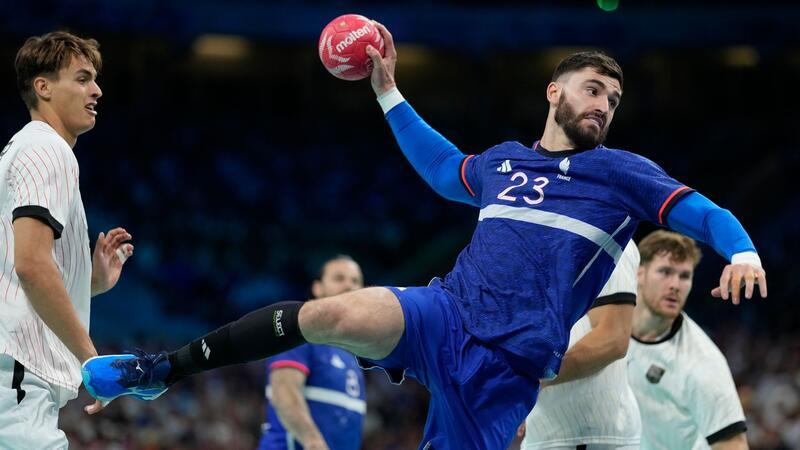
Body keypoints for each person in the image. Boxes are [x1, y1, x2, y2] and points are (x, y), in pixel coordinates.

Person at [82, 22, 767, 450]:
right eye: (592, 89)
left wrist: (740, 247)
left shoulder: (622, 174)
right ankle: (159, 371)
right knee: (328, 313)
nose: (604, 105)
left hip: (506, 368)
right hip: (444, 314)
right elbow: (443, 167)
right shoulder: (504, 161)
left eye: (614, 100)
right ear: (555, 92)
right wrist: (387, 90)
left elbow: (701, 211)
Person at [0, 31, 133, 447]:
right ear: (43, 87)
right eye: (81, 78)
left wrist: (87, 284)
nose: (96, 90)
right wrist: (92, 360)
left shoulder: (24, 149)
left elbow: (16, 273)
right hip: (16, 377)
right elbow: (31, 266)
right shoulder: (47, 149)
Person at [628, 230, 749, 449]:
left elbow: (733, 444)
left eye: (684, 276)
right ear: (639, 273)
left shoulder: (703, 361)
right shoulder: (606, 327)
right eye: (665, 272)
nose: (675, 284)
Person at [520, 240, 641, 450]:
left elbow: (612, 340)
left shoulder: (608, 236)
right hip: (545, 431)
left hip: (590, 436)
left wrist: (528, 384)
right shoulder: (534, 239)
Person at [258, 255, 366, 450]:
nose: (349, 286)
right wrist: (313, 442)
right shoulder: (298, 334)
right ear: (317, 288)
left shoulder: (352, 351)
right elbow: (284, 391)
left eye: (355, 281)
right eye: (339, 278)